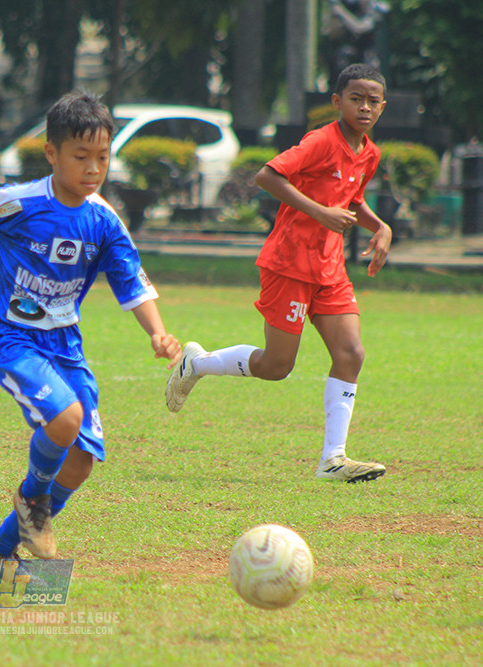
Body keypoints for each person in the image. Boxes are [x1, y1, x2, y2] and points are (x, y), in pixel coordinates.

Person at [0, 91, 181, 574]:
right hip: (9, 335)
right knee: (65, 419)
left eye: (102, 157)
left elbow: (132, 282)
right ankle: (33, 502)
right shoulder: (20, 202)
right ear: (51, 153)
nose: (93, 168)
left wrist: (157, 333)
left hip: (64, 343)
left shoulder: (104, 221)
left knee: (81, 461)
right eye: (80, 156)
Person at [166, 63, 392, 484]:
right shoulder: (321, 141)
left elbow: (352, 199)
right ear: (337, 102)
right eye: (356, 98)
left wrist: (380, 227)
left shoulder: (369, 153)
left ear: (382, 107)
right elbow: (267, 176)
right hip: (289, 262)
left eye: (373, 101)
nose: (364, 107)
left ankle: (333, 459)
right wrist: (319, 212)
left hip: (330, 268)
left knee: (351, 353)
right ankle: (197, 363)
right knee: (276, 366)